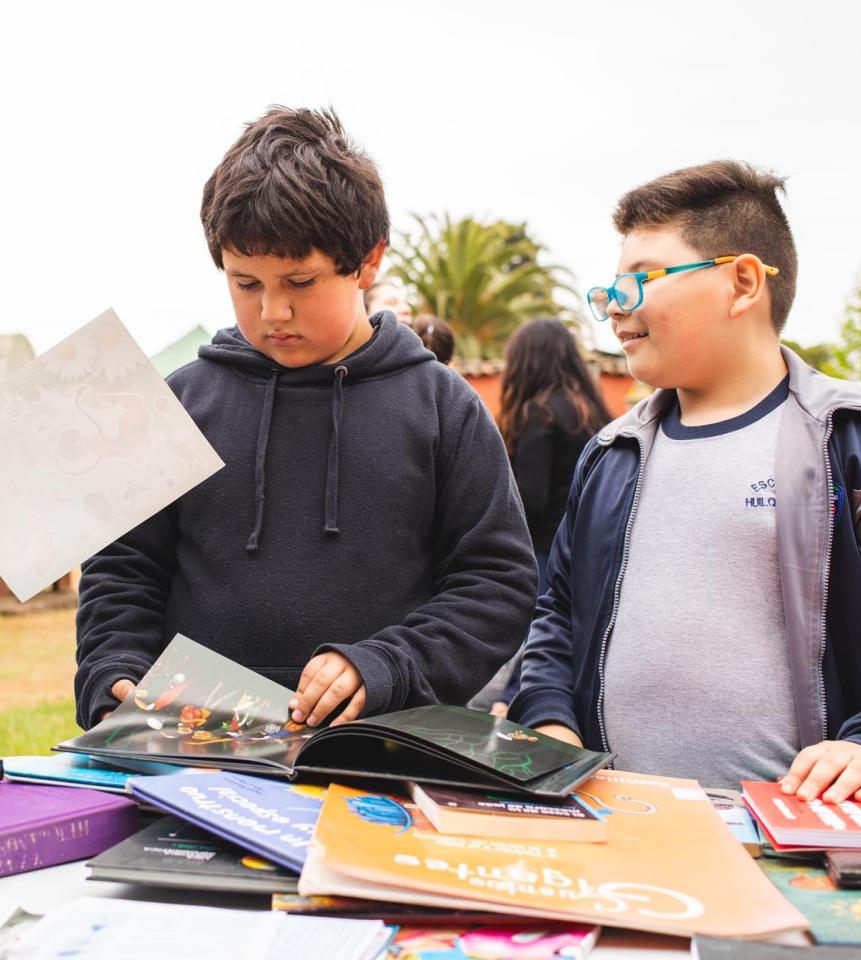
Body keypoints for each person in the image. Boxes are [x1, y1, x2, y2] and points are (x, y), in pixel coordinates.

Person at [74, 107, 537, 733]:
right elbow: (122, 569)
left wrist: (385, 665)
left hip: (378, 751)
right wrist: (112, 668)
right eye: (245, 283)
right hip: (191, 747)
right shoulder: (178, 402)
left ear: (367, 262)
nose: (272, 311)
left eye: (300, 281)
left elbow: (495, 585)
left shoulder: (444, 408)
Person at [508, 160, 861, 802]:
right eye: (610, 289)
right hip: (612, 818)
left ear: (742, 284)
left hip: (793, 839)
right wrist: (547, 716)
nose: (614, 310)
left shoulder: (858, 439)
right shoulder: (611, 453)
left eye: (642, 280)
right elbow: (556, 615)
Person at [471, 317, 611, 715]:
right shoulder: (593, 415)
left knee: (535, 644)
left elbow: (526, 499)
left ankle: (508, 706)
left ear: (527, 363)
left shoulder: (540, 413)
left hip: (544, 551)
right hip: (588, 551)